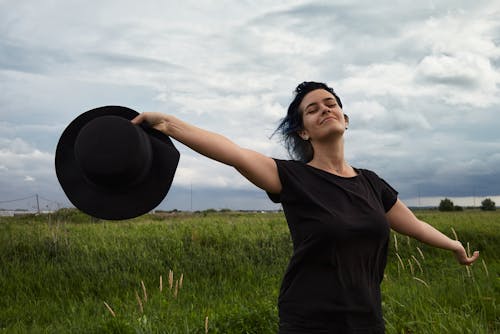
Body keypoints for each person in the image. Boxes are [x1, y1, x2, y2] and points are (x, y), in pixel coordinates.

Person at [131, 81, 480, 333]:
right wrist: (167, 124)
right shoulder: (292, 177)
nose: (324, 109)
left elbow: (413, 224)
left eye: (330, 103)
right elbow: (233, 152)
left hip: (367, 318)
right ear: (303, 133)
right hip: (310, 320)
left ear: (345, 118)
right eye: (312, 109)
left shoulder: (371, 182)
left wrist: (452, 244)